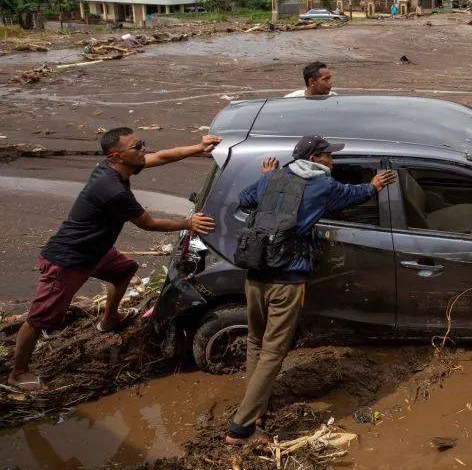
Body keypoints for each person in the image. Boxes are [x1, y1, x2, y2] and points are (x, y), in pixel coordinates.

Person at [7, 128, 220, 391]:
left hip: (95, 252)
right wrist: (189, 223)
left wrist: (199, 148)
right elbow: (149, 224)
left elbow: (161, 157)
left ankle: (109, 320)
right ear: (117, 155)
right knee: (40, 319)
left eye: (142, 144)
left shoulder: (117, 166)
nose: (144, 150)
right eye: (137, 147)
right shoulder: (113, 190)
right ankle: (17, 373)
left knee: (124, 270)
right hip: (69, 259)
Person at [225, 135, 396, 445]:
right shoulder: (322, 185)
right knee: (274, 352)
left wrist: (267, 179)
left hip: (255, 275)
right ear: (316, 158)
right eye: (330, 156)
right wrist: (374, 185)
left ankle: (256, 408)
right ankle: (241, 428)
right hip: (286, 281)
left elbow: (246, 199)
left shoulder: (273, 176)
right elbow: (352, 195)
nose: (333, 161)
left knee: (255, 341)